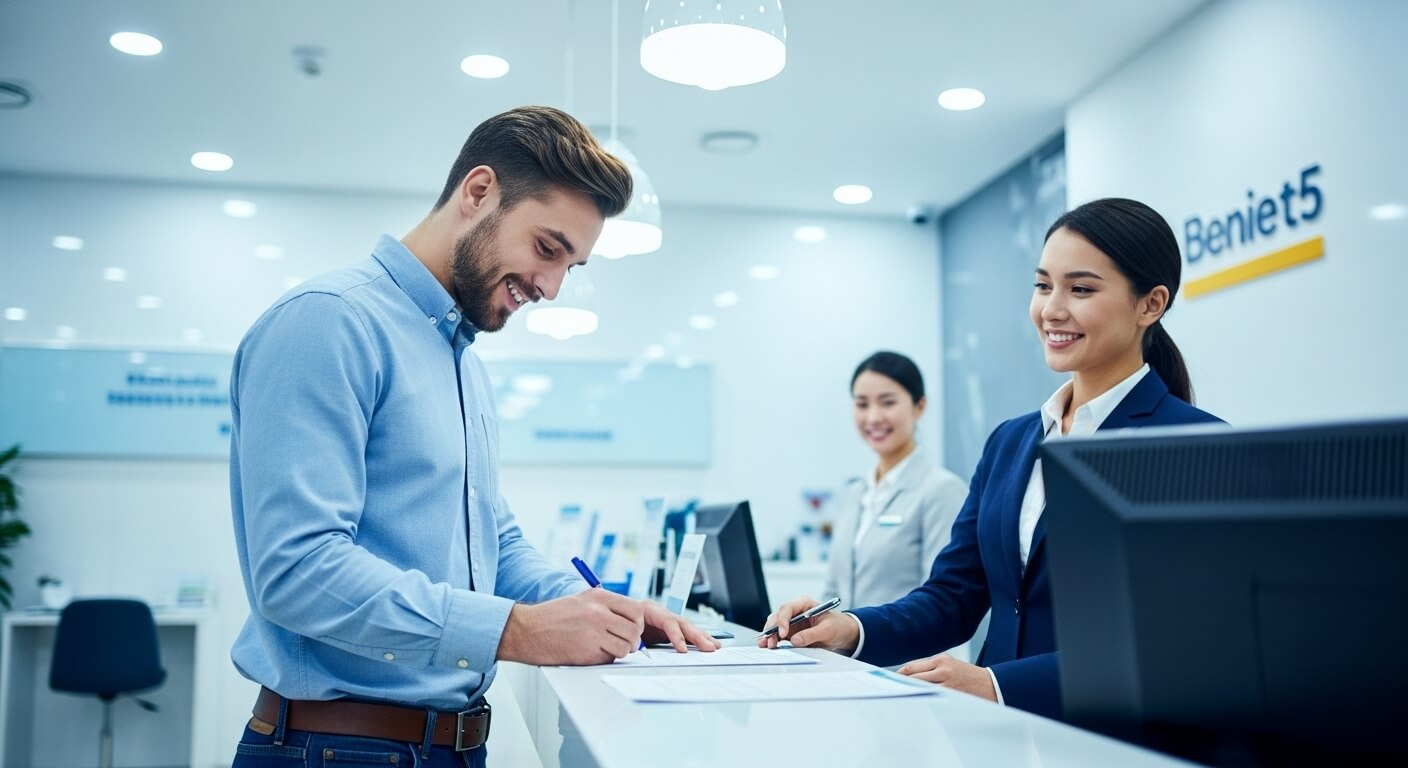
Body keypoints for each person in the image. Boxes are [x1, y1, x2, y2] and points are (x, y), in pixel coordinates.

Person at [228, 106, 718, 768]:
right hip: (337, 748)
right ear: (478, 192)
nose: (549, 287)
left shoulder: (463, 363)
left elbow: (495, 544)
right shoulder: (329, 324)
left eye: (570, 267)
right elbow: (297, 571)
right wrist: (517, 631)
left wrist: (595, 609)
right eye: (548, 248)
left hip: (448, 750)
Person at [761, 197, 1223, 720]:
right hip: (997, 736)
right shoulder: (1011, 442)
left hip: (1114, 740)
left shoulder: (1195, 445)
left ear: (1150, 304)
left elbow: (1177, 643)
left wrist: (999, 684)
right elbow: (953, 596)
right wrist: (851, 629)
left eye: (1082, 289)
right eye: (1044, 285)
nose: (1051, 309)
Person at [820, 351, 967, 611]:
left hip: (912, 652)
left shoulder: (942, 491)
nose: (873, 417)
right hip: (842, 652)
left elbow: (942, 603)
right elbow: (832, 592)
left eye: (887, 402)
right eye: (862, 404)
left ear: (919, 406)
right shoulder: (854, 494)